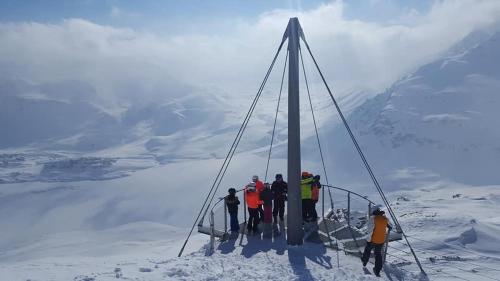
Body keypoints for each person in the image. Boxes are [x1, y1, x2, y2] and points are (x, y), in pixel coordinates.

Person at [361, 205, 392, 277]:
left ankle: (364, 261)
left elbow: (369, 230)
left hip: (373, 239)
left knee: (367, 250)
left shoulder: (373, 218)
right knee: (378, 254)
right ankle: (377, 270)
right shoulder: (385, 218)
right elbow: (390, 226)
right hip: (381, 240)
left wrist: (368, 239)